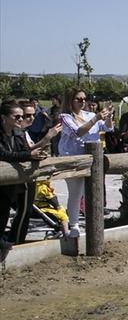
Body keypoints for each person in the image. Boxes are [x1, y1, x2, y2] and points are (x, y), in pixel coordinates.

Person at [58, 87, 114, 238]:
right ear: (71, 101)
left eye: (84, 99)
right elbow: (78, 132)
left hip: (93, 159)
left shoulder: (89, 114)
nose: (83, 102)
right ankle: (74, 225)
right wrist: (96, 118)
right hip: (74, 160)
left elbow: (108, 128)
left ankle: (93, 223)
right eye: (79, 99)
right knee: (76, 194)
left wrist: (108, 116)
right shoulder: (65, 117)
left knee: (92, 194)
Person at [1, 101, 49, 257]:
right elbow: (4, 154)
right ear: (3, 117)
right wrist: (29, 155)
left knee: (3, 217)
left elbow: (24, 151)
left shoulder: (18, 133)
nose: (20, 120)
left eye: (22, 117)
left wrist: (37, 156)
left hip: (11, 183)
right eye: (17, 117)